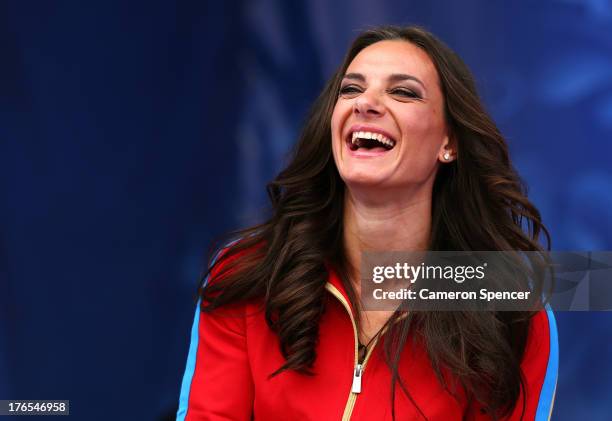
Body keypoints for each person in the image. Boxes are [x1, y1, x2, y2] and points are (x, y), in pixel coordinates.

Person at [177, 25, 558, 421]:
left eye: (403, 91)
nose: (366, 103)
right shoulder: (246, 274)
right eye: (350, 89)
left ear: (449, 142)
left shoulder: (510, 310)